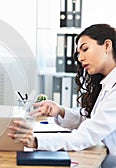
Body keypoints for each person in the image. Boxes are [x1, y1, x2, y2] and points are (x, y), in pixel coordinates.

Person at [8, 24, 116, 167]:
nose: (80, 58)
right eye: (78, 53)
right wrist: (60, 110)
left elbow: (86, 135)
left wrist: (36, 141)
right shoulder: (107, 83)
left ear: (107, 45)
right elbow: (91, 121)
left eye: (85, 49)